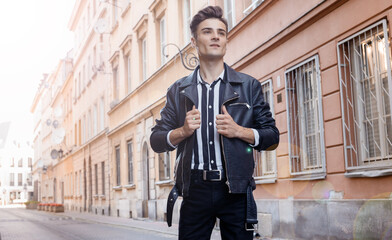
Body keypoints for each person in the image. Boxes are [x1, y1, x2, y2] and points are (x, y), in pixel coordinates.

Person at [150, 5, 279, 240]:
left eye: (221, 32)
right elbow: (157, 140)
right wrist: (182, 131)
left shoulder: (249, 87)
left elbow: (271, 137)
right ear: (194, 41)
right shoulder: (178, 91)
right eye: (207, 31)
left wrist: (239, 131)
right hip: (194, 190)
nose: (216, 36)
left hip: (236, 190)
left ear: (226, 40)